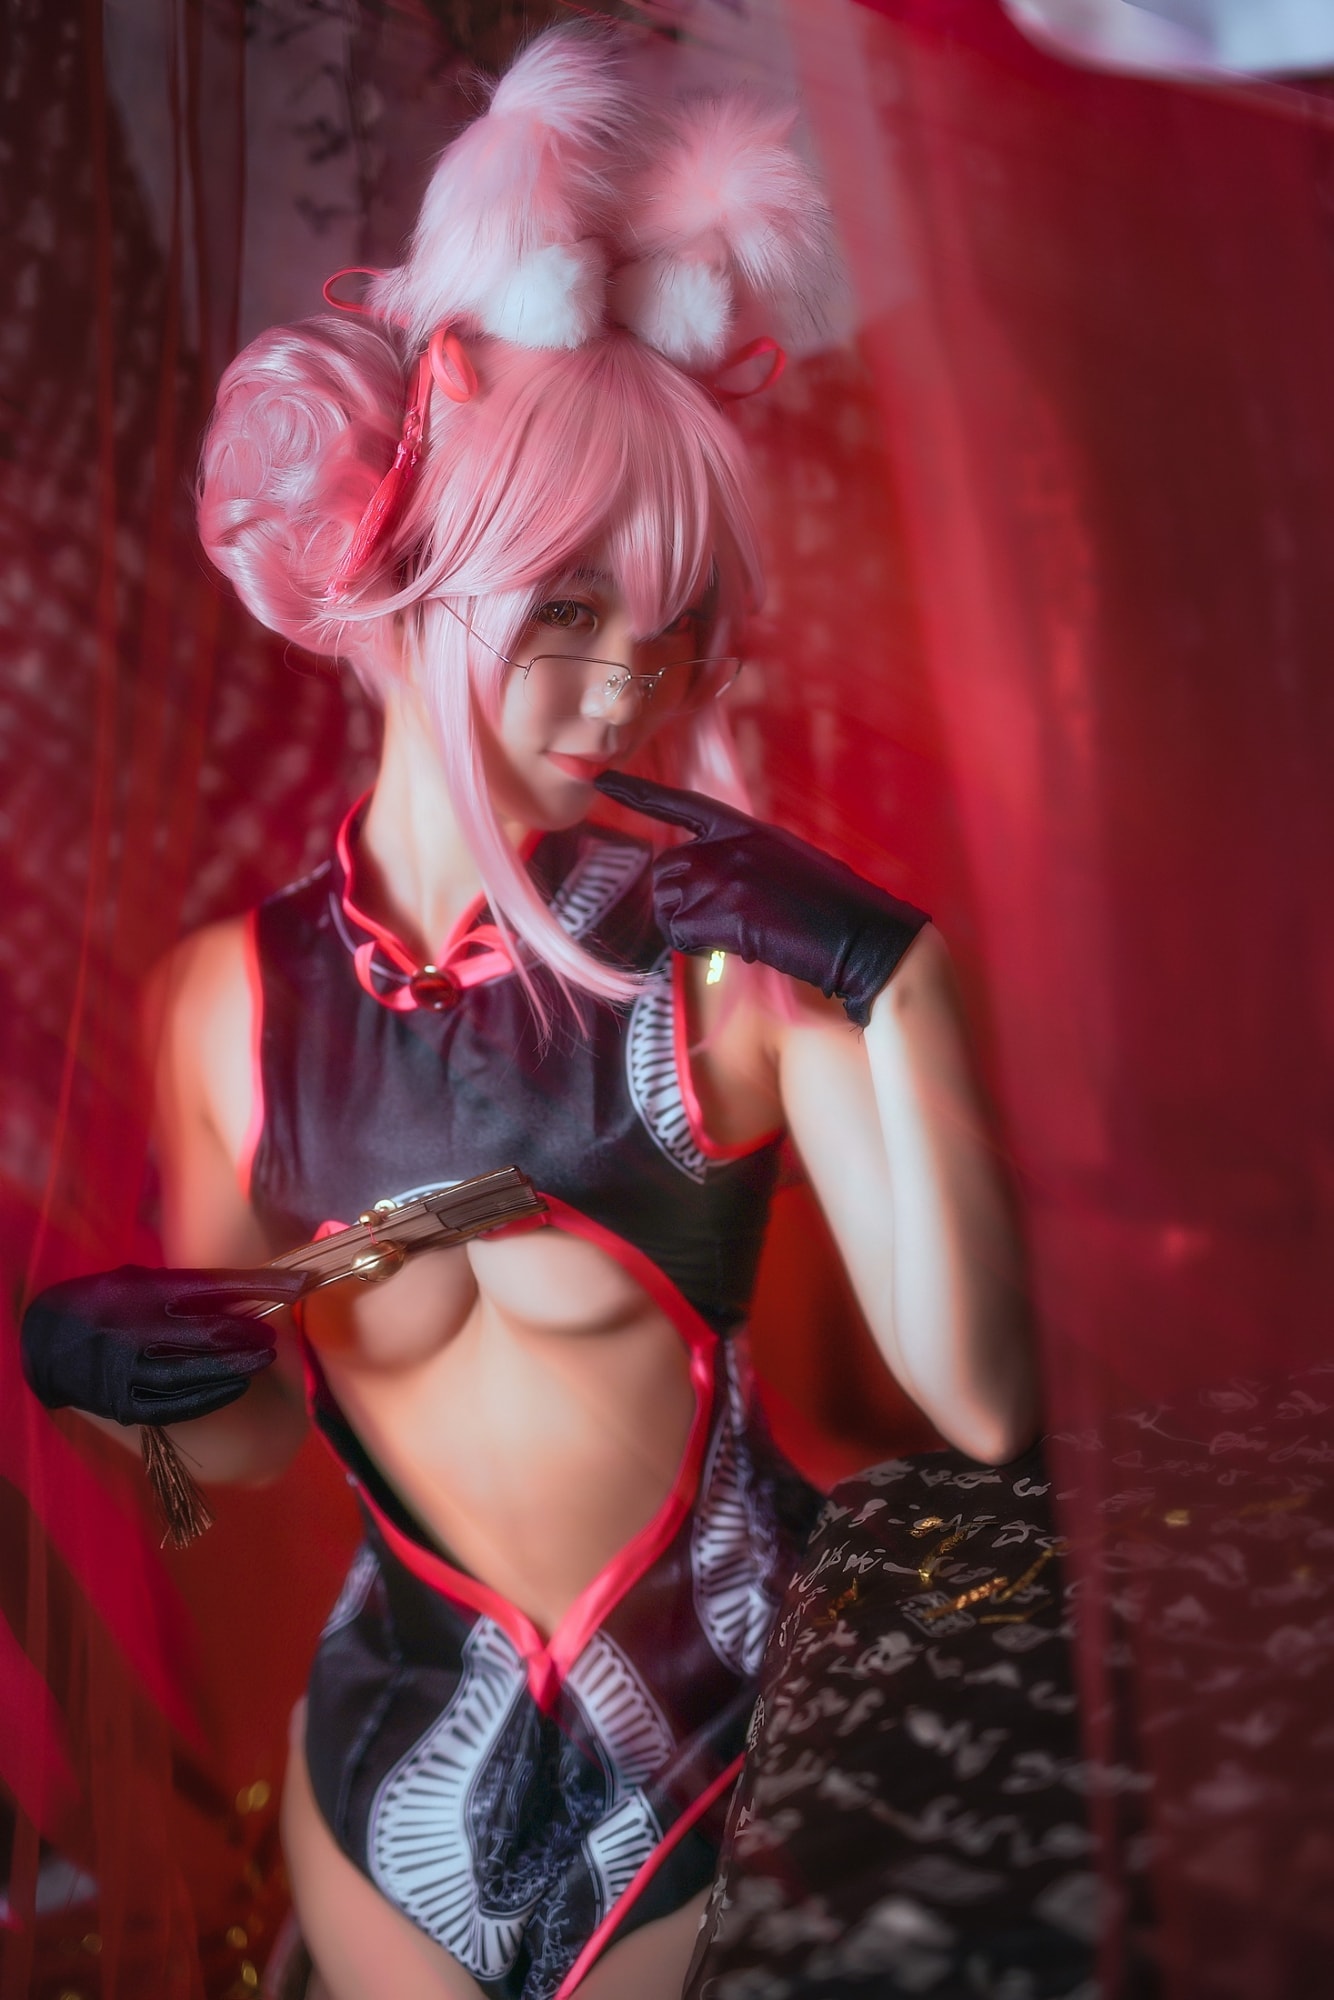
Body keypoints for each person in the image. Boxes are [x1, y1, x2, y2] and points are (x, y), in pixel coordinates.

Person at [21, 28, 1036, 2000]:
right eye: (565, 610)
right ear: (408, 583)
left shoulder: (729, 962)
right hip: (389, 1780)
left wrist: (902, 985)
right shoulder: (225, 1004)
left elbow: (982, 1402)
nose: (619, 692)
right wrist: (124, 1374)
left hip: (742, 1752)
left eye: (667, 631)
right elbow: (251, 1449)